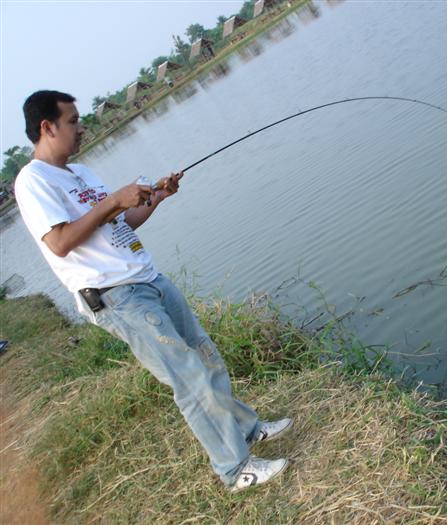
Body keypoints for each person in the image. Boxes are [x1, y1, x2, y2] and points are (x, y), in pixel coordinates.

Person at [14, 90, 292, 493]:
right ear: (47, 126)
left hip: (148, 277)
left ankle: (247, 430)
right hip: (116, 295)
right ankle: (234, 470)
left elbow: (120, 223)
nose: (81, 127)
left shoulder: (82, 172)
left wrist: (156, 197)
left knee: (204, 356)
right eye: (73, 120)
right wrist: (112, 201)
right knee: (189, 378)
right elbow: (59, 242)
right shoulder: (33, 181)